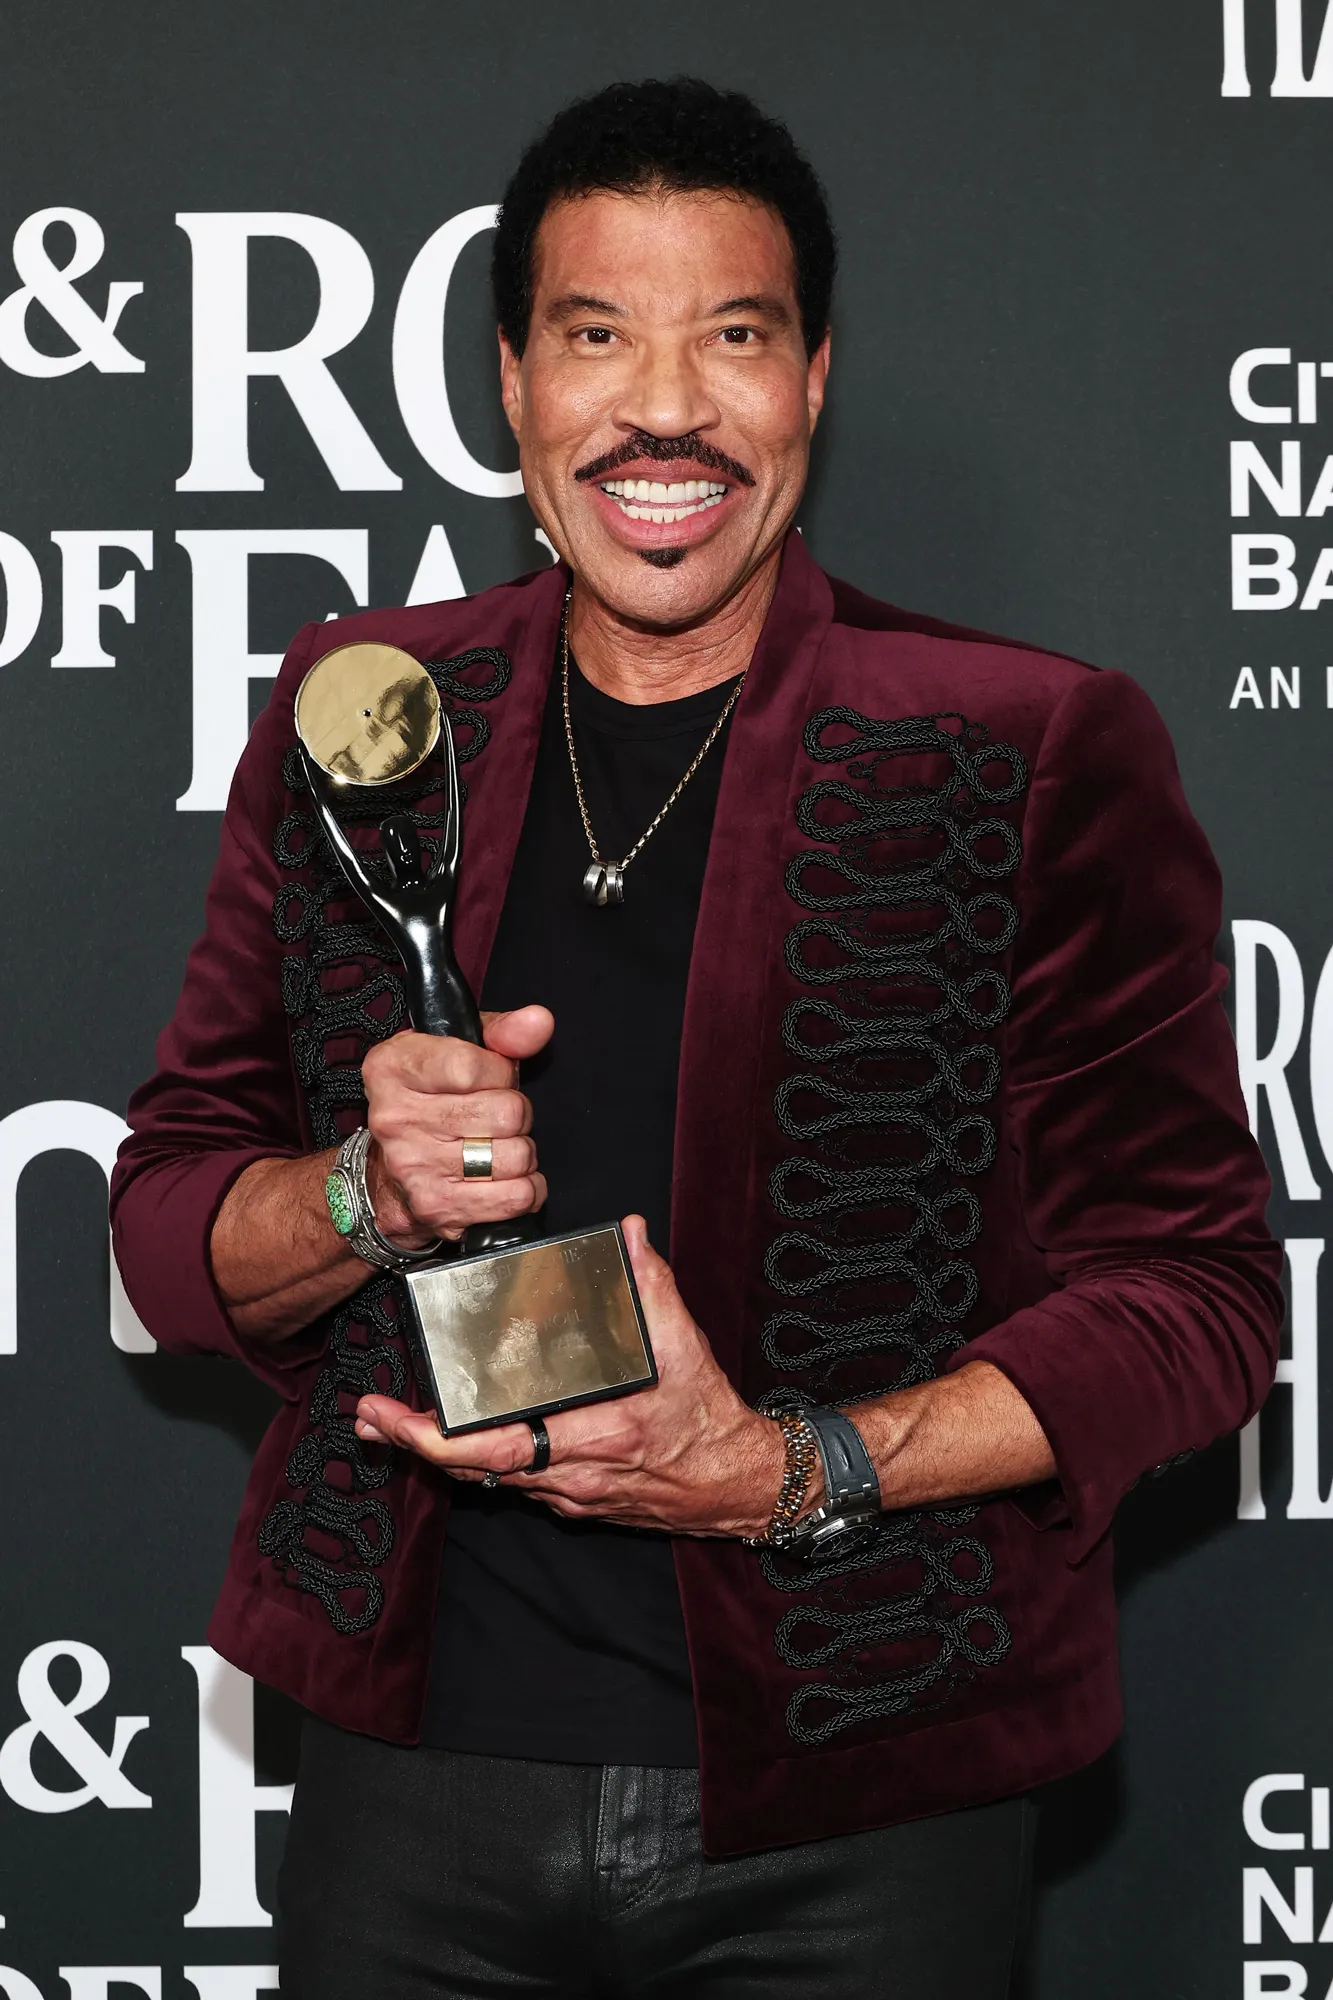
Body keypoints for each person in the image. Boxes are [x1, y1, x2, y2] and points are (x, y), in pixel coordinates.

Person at [110, 77, 1283, 2000]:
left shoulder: (1020, 744)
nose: (665, 409)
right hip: (417, 1794)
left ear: (813, 379)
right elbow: (166, 1229)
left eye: (731, 337)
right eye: (597, 336)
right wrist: (359, 1197)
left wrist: (791, 1468)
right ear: (512, 385)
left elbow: (1201, 1301)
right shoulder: (369, 715)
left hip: (865, 1814)